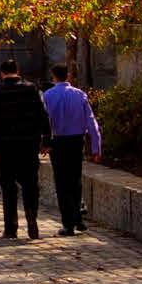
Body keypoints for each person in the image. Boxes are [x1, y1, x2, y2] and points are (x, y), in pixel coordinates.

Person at [0, 59, 53, 239]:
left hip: (5, 148)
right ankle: (31, 217)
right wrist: (47, 140)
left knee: (8, 188)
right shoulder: (31, 89)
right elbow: (43, 115)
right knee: (30, 185)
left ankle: (11, 227)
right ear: (18, 70)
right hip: (28, 146)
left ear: (2, 73)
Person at [42, 63, 104, 235]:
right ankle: (78, 218)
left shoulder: (47, 96)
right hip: (76, 142)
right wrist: (96, 147)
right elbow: (91, 122)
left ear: (53, 76)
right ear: (68, 75)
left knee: (61, 182)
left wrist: (44, 143)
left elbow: (43, 122)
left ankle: (68, 223)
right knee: (75, 179)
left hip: (57, 142)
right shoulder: (80, 95)